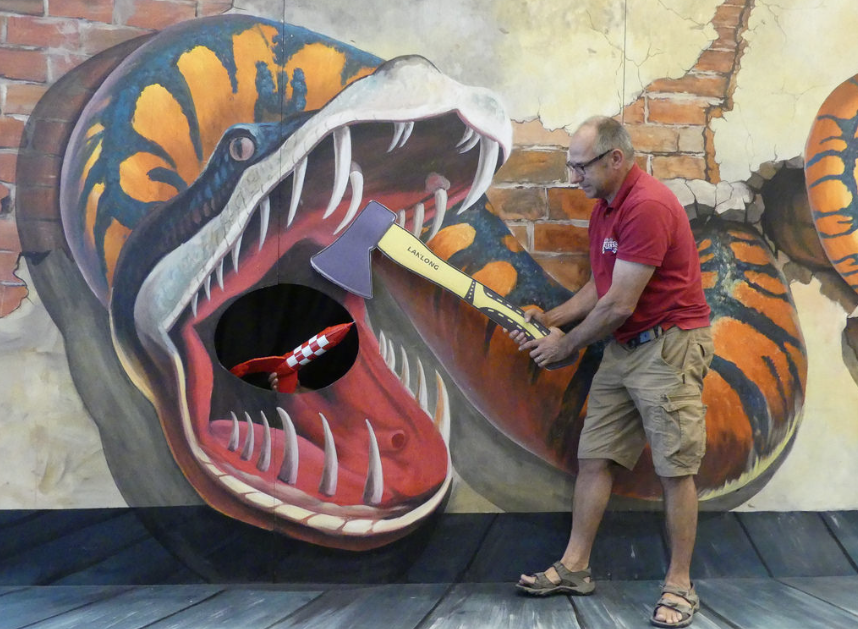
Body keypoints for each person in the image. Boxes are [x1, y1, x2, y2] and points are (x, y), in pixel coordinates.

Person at [511, 116, 713, 629]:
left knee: (675, 469)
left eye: (580, 166)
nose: (572, 176)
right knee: (595, 456)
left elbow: (620, 303)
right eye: (571, 165)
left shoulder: (647, 206)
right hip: (625, 347)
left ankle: (680, 585)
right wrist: (551, 319)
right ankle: (575, 567)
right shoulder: (605, 208)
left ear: (615, 159)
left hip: (669, 347)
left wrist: (566, 346)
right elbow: (602, 285)